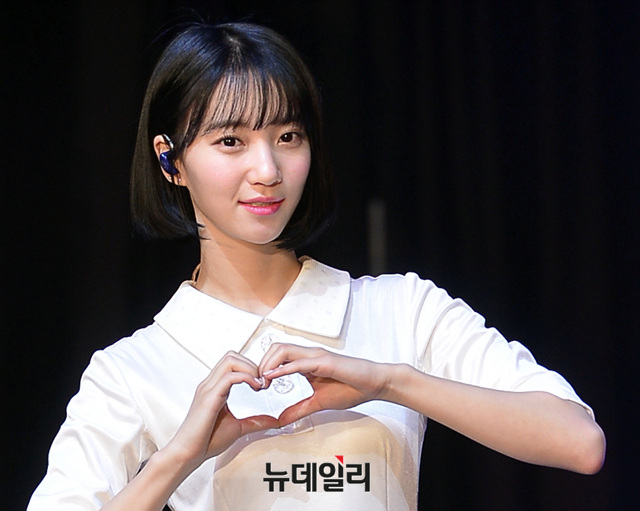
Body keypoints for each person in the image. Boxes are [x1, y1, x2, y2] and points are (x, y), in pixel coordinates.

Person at [28, 21, 605, 511]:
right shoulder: (132, 370)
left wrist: (389, 381)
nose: (267, 170)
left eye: (288, 136)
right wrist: (181, 454)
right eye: (230, 141)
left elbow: (580, 442)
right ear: (170, 160)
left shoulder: (402, 308)